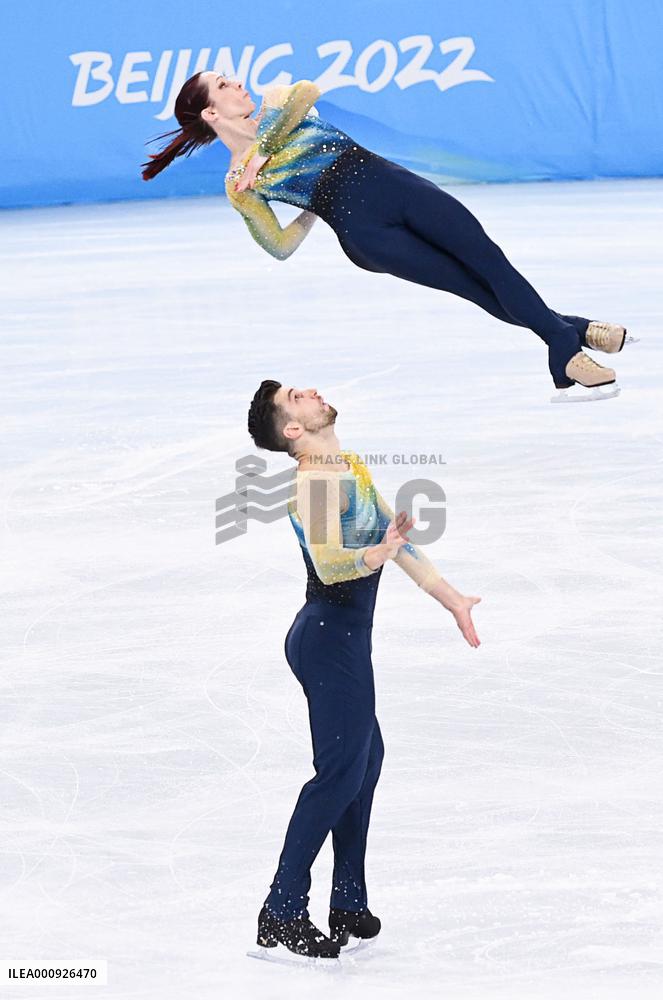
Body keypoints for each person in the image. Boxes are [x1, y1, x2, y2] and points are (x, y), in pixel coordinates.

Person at [142, 73, 633, 402]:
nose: (237, 84)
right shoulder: (237, 184)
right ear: (211, 112)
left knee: (491, 264)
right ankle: (565, 346)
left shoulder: (273, 105)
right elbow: (279, 246)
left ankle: (572, 333)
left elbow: (308, 91)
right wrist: (312, 208)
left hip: (401, 189)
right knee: (473, 287)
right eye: (224, 85)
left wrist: (262, 152)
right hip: (367, 236)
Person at [244, 379, 481, 961]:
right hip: (327, 638)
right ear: (293, 431)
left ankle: (347, 899)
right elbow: (330, 566)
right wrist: (376, 552)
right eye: (296, 397)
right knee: (339, 774)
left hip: (339, 637)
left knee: (363, 762)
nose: (312, 391)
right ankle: (280, 911)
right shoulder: (317, 480)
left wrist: (450, 598)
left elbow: (393, 543)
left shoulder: (344, 466)